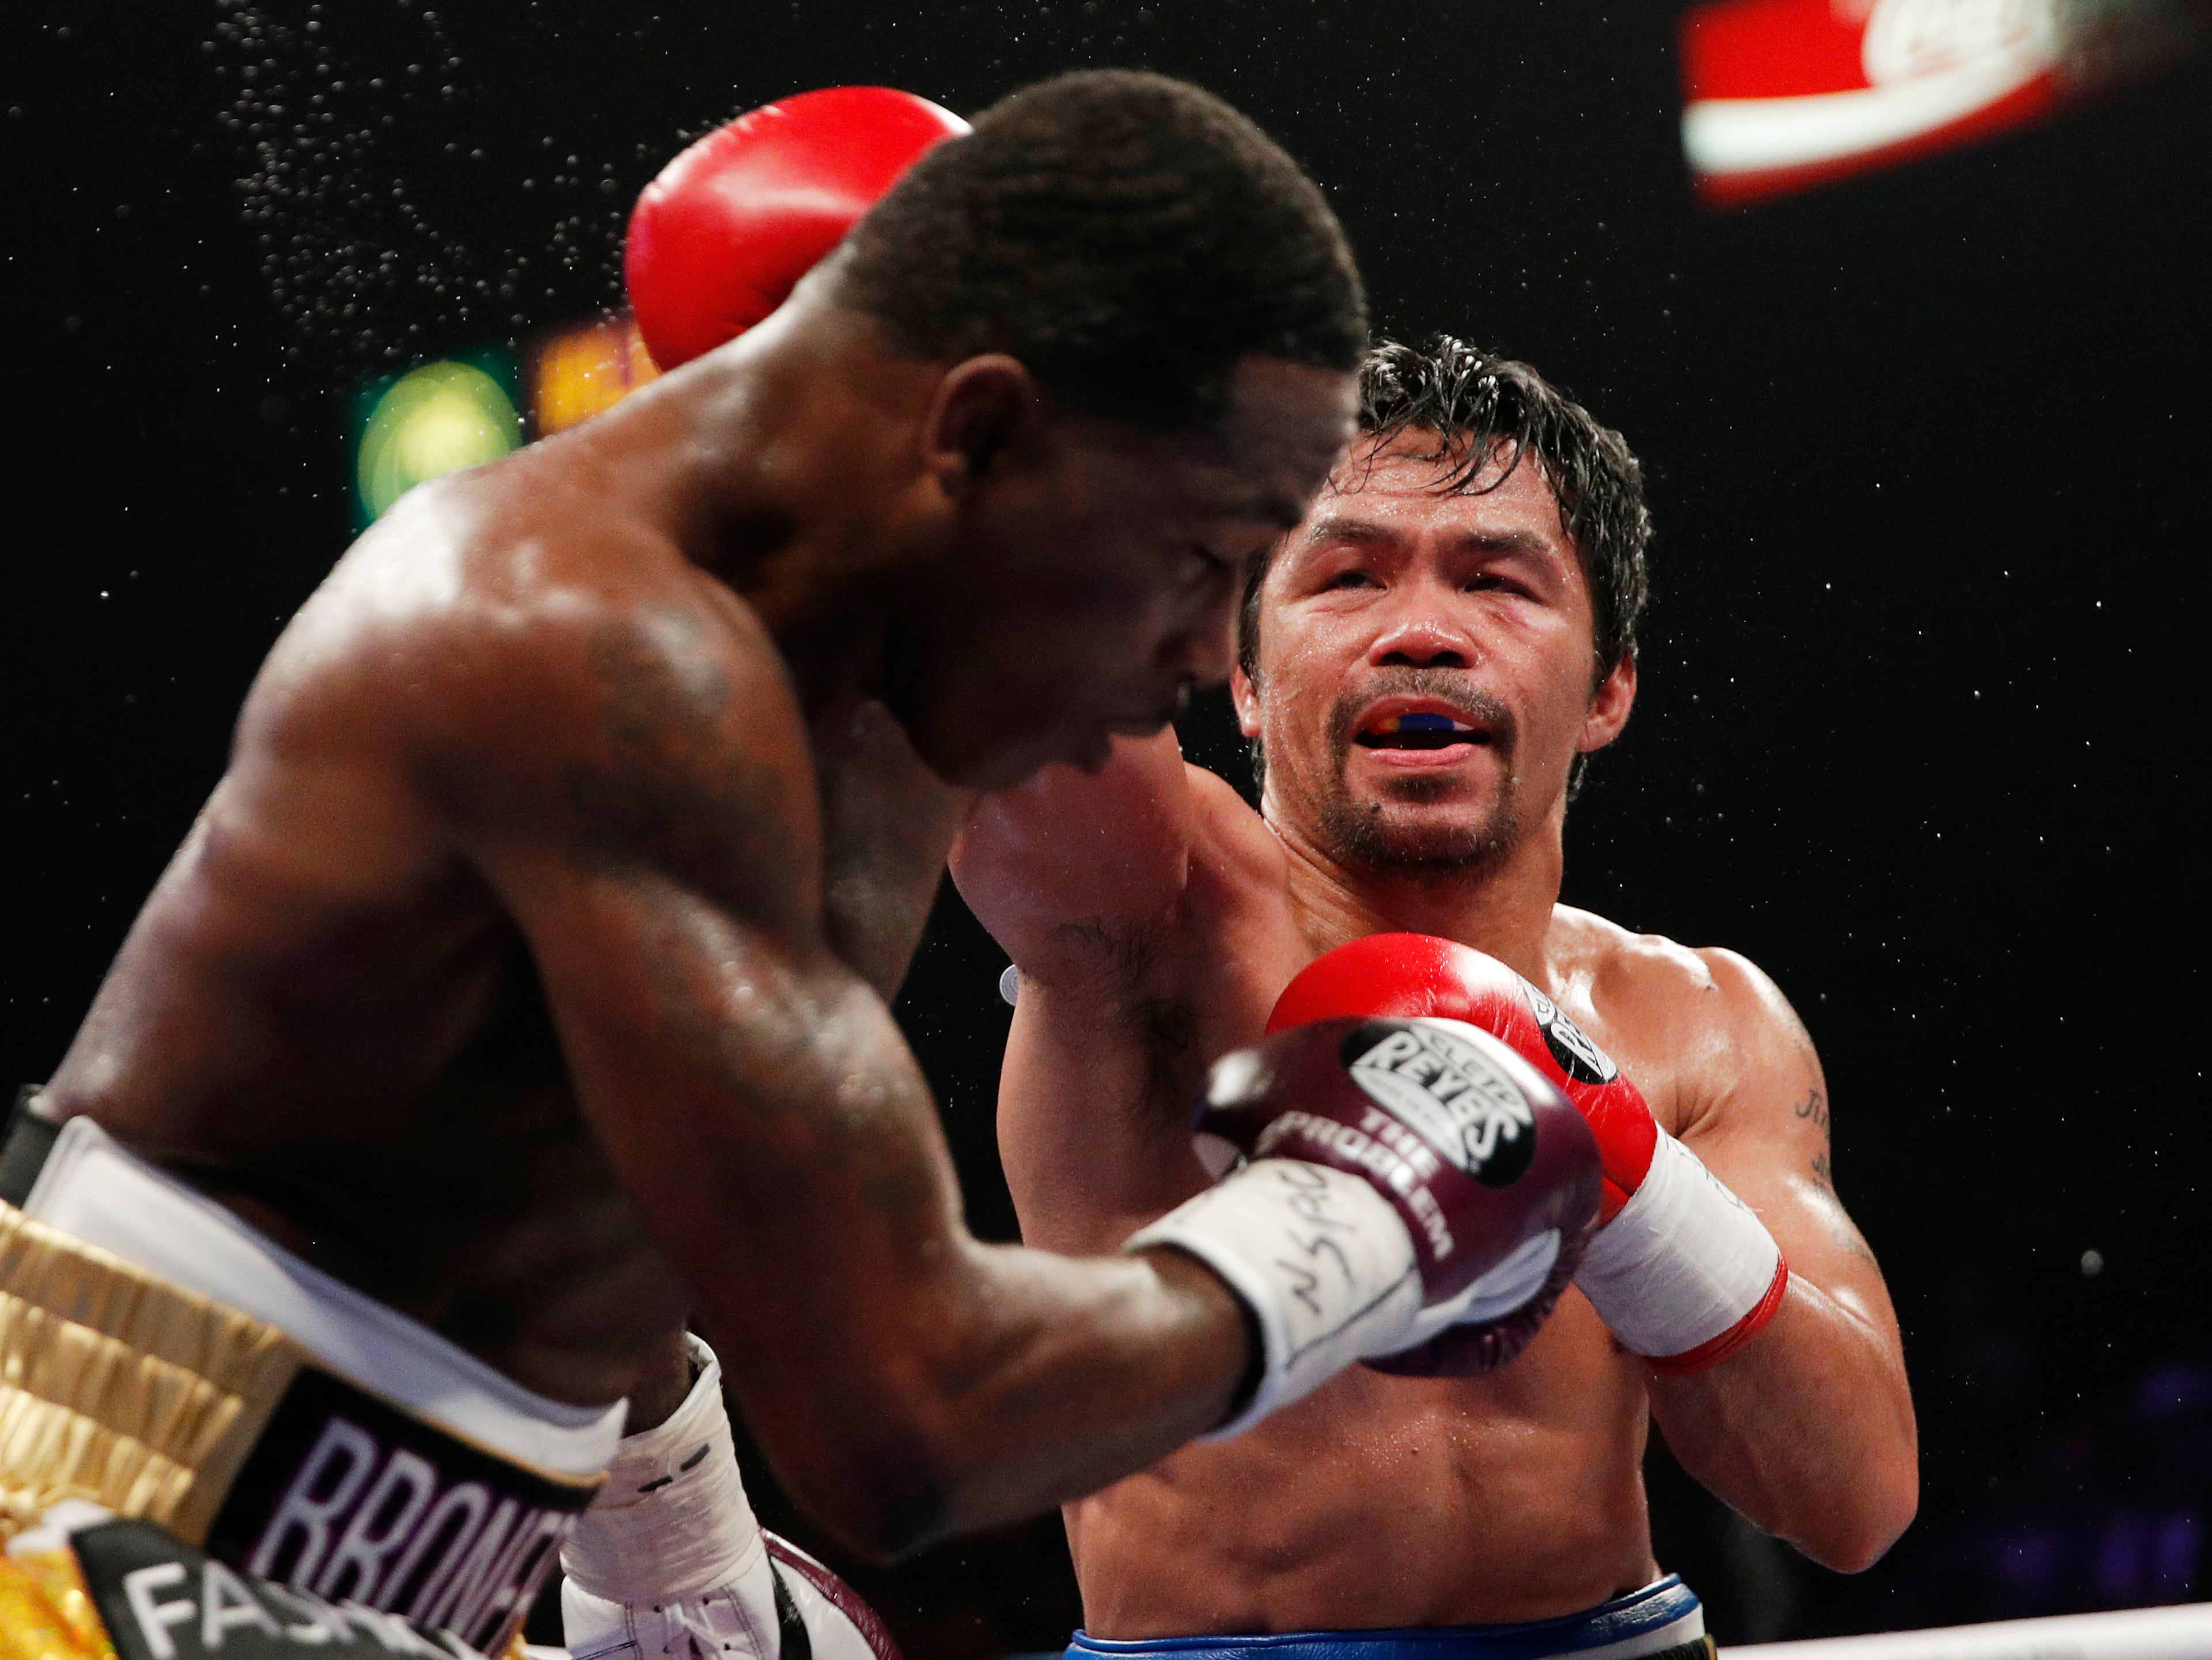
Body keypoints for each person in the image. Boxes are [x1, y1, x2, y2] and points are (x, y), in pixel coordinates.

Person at [0, 75, 1584, 1659]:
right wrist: (1362, 1223)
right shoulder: (589, 658)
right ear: (973, 433)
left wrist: (667, 1537)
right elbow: (907, 1423)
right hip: (90, 1549)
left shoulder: (846, 685)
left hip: (387, 1570)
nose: (1191, 648)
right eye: (1195, 556)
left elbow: (567, 1169)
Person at [948, 337, 1919, 1656]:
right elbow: (1011, 732)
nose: (1420, 630)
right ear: (1241, 676)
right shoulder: (1166, 921)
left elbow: (1853, 1498)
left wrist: (1606, 1153)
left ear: (1609, 686)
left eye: (1497, 581)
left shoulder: (1697, 1017)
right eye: (1345, 575)